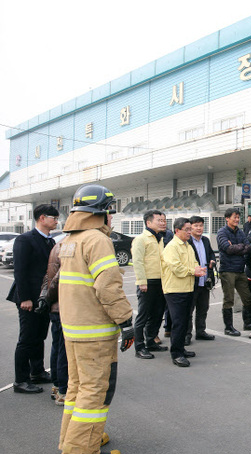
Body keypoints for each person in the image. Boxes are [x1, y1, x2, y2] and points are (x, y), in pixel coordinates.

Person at [57, 184, 134, 454]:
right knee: (95, 392)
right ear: (101, 212)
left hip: (74, 329)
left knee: (77, 389)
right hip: (95, 333)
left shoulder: (69, 240)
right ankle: (81, 449)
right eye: (110, 210)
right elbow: (107, 288)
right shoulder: (97, 240)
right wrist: (126, 322)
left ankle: (73, 441)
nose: (111, 216)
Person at [9, 203, 59, 394]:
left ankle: (37, 372)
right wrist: (25, 298)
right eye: (53, 218)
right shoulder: (25, 239)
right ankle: (20, 380)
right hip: (28, 298)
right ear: (42, 218)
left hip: (43, 298)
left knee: (40, 336)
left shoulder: (50, 241)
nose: (56, 221)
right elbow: (20, 272)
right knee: (27, 339)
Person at [161, 218, 207, 367]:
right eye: (187, 229)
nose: (190, 232)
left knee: (185, 320)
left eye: (190, 229)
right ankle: (176, 353)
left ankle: (181, 348)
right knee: (179, 322)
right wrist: (193, 271)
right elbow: (176, 268)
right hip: (175, 290)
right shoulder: (172, 247)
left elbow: (193, 262)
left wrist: (198, 269)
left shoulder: (187, 246)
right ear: (177, 230)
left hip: (187, 288)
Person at [130, 210, 168, 359]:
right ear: (148, 223)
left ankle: (151, 341)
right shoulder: (141, 239)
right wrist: (141, 281)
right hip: (148, 282)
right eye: (159, 220)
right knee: (143, 316)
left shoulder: (159, 239)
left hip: (161, 281)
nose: (163, 223)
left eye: (164, 220)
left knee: (158, 314)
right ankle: (139, 347)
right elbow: (137, 262)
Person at [36, 238, 67, 405]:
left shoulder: (59, 244)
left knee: (58, 347)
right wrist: (47, 298)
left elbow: (48, 277)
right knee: (65, 351)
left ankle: (57, 385)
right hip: (64, 307)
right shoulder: (72, 246)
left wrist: (44, 298)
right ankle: (63, 389)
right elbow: (56, 279)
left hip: (56, 307)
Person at [217, 208, 251, 334]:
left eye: (238, 217)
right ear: (227, 218)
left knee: (247, 297)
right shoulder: (222, 232)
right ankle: (228, 327)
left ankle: (248, 323)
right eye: (234, 217)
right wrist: (239, 247)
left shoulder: (240, 232)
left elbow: (248, 246)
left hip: (240, 270)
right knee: (229, 299)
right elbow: (227, 249)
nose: (237, 219)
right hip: (227, 270)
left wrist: (237, 247)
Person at [187, 216, 217, 344]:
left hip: (205, 280)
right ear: (190, 227)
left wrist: (213, 260)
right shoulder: (187, 241)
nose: (199, 228)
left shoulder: (205, 240)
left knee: (203, 308)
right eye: (196, 226)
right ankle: (186, 335)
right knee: (189, 310)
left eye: (201, 225)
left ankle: (200, 331)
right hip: (192, 281)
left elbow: (211, 253)